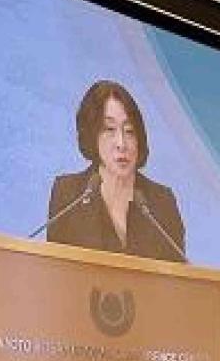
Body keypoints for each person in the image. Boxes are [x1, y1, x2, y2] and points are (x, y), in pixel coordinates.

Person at [47, 80, 185, 262]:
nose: (121, 143)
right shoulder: (68, 194)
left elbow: (179, 280)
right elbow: (54, 272)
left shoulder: (162, 202)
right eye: (109, 129)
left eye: (129, 131)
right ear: (92, 135)